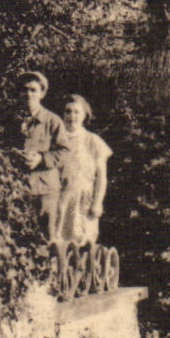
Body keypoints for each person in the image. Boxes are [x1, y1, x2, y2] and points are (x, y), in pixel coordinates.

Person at [48, 94, 112, 247]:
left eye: (77, 112)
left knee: (82, 242)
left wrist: (98, 202)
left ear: (84, 115)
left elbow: (101, 177)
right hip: (59, 199)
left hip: (83, 200)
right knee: (57, 243)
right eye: (68, 111)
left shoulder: (93, 141)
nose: (72, 116)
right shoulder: (54, 140)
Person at [11, 71, 66, 238]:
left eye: (33, 90)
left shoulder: (52, 121)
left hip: (45, 189)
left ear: (42, 93)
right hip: (16, 186)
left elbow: (65, 152)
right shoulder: (10, 119)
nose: (28, 94)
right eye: (24, 90)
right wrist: (13, 154)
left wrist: (41, 159)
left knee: (46, 236)